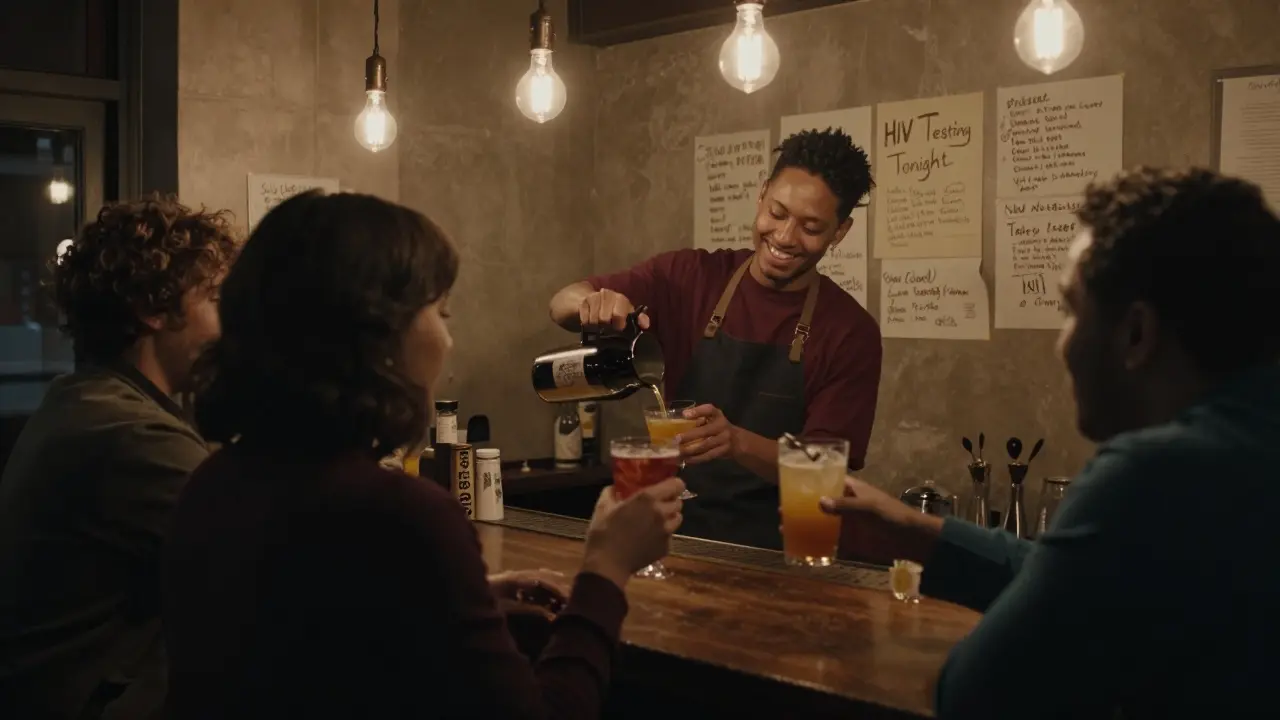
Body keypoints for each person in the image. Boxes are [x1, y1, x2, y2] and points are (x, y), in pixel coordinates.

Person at [162, 191, 685, 719]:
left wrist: (461, 598)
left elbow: (318, 644)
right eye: (441, 311)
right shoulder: (402, 515)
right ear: (378, 335)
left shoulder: (211, 486)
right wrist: (605, 568)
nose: (449, 341)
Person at [823, 167, 1280, 718]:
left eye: (1070, 310)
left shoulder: (1156, 472)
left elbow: (975, 692)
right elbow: (1066, 569)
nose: (1060, 346)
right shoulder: (1248, 442)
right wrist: (914, 532)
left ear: (1137, 334)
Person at [549, 128, 882, 549]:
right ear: (761, 195)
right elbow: (562, 300)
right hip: (673, 536)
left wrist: (738, 443)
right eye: (777, 213)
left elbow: (828, 470)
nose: (784, 237)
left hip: (780, 552)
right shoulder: (690, 278)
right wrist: (592, 304)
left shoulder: (850, 332)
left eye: (811, 227)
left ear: (839, 232)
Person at [0, 196, 238, 719]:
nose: (234, 324)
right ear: (152, 309)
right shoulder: (131, 435)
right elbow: (277, 559)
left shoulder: (87, 399)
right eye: (217, 297)